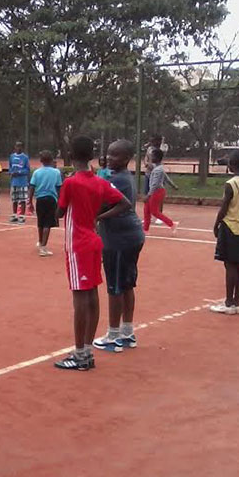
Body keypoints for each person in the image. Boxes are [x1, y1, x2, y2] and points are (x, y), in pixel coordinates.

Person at [54, 136, 132, 371]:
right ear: (92, 156)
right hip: (93, 241)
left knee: (80, 298)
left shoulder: (71, 183)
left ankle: (80, 354)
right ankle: (86, 351)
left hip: (77, 245)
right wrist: (98, 215)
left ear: (71, 155)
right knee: (92, 295)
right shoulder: (100, 182)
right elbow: (125, 203)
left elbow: (59, 212)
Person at [93, 139, 145, 352]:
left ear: (126, 159)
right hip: (131, 235)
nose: (109, 158)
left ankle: (113, 335)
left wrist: (97, 216)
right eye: (108, 153)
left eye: (115, 155)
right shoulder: (123, 177)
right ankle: (127, 332)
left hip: (119, 239)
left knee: (115, 287)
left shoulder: (117, 180)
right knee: (126, 285)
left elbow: (106, 203)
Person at [209, 150, 239, 314]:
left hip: (229, 227)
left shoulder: (230, 184)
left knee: (229, 265)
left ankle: (228, 303)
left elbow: (224, 208)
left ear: (231, 165)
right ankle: (237, 302)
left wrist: (216, 224)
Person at [27, 150, 63, 257]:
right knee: (48, 223)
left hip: (40, 199)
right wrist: (60, 201)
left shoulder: (37, 172)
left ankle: (40, 241)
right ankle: (43, 247)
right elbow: (59, 188)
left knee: (40, 222)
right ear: (51, 160)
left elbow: (32, 187)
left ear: (41, 160)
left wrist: (30, 201)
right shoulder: (56, 172)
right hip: (51, 199)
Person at [144, 148, 178, 234]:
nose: (151, 158)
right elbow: (166, 178)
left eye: (152, 156)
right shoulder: (158, 168)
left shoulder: (158, 170)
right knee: (146, 210)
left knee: (154, 211)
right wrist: (173, 186)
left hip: (157, 191)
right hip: (155, 191)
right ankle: (145, 229)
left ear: (157, 158)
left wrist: (149, 195)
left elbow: (155, 184)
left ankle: (172, 224)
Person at [9, 141, 30, 223]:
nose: (18, 148)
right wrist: (11, 172)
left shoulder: (25, 157)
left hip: (22, 182)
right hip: (14, 182)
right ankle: (14, 215)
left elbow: (27, 170)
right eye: (17, 146)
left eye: (20, 146)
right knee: (14, 200)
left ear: (22, 148)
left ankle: (22, 216)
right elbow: (10, 167)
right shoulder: (12, 157)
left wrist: (19, 172)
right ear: (15, 147)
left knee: (22, 199)